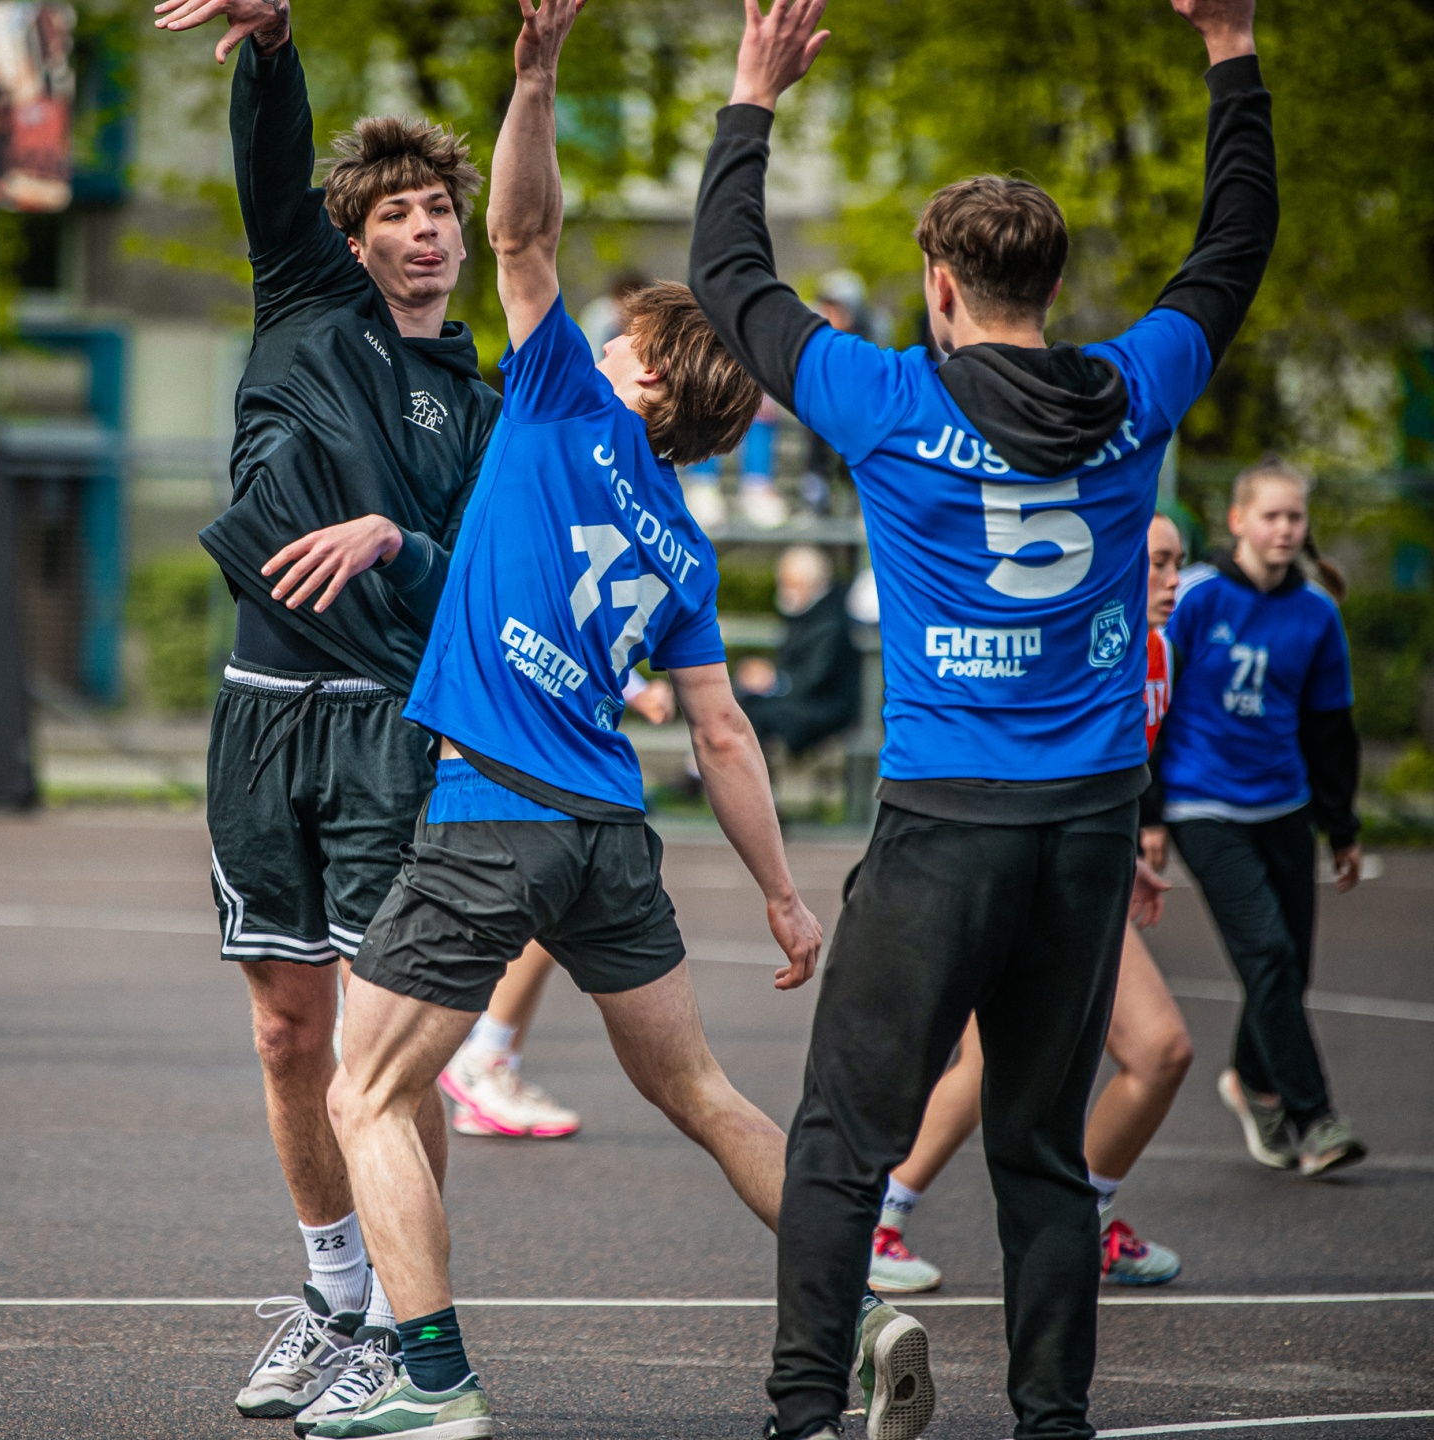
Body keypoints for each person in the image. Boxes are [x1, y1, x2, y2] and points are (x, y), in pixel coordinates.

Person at [314, 6, 932, 1435]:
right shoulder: (687, 550)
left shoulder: (557, 404)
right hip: (607, 832)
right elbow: (721, 736)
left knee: (364, 1094)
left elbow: (521, 232)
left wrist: (534, 77)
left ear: (643, 371)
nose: (593, 336)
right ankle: (860, 1310)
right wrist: (783, 895)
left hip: (494, 811)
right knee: (702, 1091)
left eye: (619, 336)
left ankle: (431, 1380)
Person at [688, 0, 1275, 1434]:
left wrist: (754, 94)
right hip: (1084, 831)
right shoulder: (1135, 386)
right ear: (1054, 285)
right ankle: (1051, 1421)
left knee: (841, 1144)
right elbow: (1231, 247)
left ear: (940, 286)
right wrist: (1231, 49)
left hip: (944, 826)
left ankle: (803, 1413)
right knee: (1043, 1156)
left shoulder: (886, 398)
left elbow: (728, 274)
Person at [149, 0, 502, 1423]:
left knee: (385, 1047)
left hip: (382, 725)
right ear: (355, 242)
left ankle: (411, 1335)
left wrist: (396, 544)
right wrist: (276, 45)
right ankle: (333, 1295)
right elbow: (271, 160)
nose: (424, 229)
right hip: (260, 715)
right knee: (287, 1034)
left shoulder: (480, 405)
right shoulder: (305, 304)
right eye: (398, 212)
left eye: (440, 211)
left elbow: (475, 584)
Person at [871, 513, 1197, 1295]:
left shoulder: (1156, 651)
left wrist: (1125, 850)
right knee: (1153, 1050)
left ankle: (895, 1218)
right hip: (1021, 863)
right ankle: (897, 1220)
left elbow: (1114, 768)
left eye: (1178, 563)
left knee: (1013, 1060)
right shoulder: (1078, 642)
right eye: (1156, 562)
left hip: (1082, 866)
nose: (1171, 580)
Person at [1157, 459, 1366, 1177]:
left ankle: (1249, 1077)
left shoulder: (1316, 613)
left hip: (1284, 803)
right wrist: (1148, 815)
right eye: (1271, 515)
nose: (1284, 528)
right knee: (1268, 953)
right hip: (1201, 802)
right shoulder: (1196, 596)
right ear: (1238, 521)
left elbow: (1330, 728)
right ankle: (1314, 1118)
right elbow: (1148, 699)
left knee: (1287, 966)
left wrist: (1342, 828)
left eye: (1294, 517)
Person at [440, 674, 675, 1142]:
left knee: (547, 912)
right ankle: (482, 1059)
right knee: (547, 906)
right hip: (506, 751)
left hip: (531, 747)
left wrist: (636, 690)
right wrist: (637, 691)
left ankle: (492, 1064)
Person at [733, 545, 862, 757]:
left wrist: (772, 680)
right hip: (808, 702)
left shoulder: (830, 624)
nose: (785, 591)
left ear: (815, 584)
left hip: (826, 708)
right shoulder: (810, 614)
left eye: (792, 584)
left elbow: (814, 679)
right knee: (747, 704)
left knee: (756, 713)